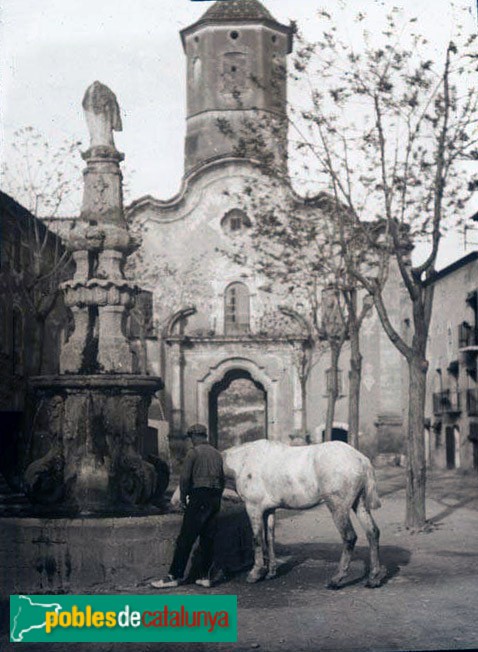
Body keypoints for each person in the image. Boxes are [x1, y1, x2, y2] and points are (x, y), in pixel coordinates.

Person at [151, 423, 225, 589]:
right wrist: (217, 498)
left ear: (193, 436)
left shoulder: (193, 453)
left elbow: (184, 479)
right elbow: (222, 479)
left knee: (185, 538)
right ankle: (205, 576)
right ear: (205, 436)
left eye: (191, 438)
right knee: (208, 538)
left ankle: (174, 576)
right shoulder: (217, 454)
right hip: (214, 498)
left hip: (199, 496)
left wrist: (183, 499)